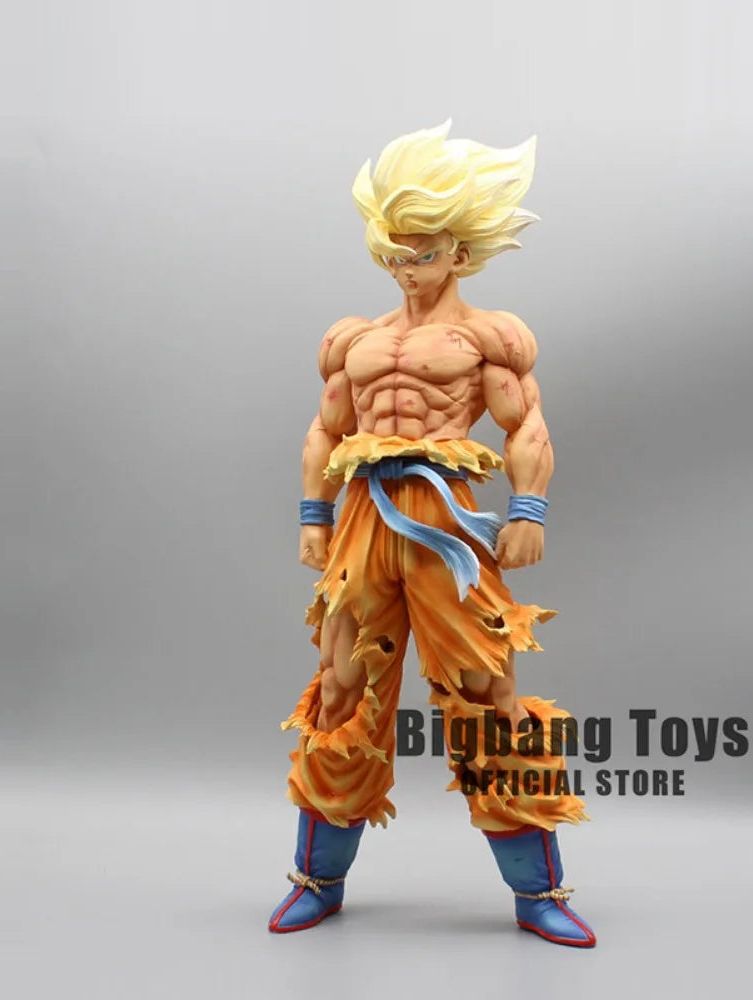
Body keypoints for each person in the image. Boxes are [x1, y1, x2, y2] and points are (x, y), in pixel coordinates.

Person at [268, 121, 596, 947]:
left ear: (460, 252)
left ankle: (539, 891)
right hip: (363, 521)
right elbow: (324, 431)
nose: (407, 266)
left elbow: (527, 427)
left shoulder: (490, 337)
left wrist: (528, 510)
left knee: (487, 694)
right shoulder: (353, 338)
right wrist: (313, 515)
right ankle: (318, 879)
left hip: (446, 520)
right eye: (395, 250)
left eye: (423, 251)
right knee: (341, 691)